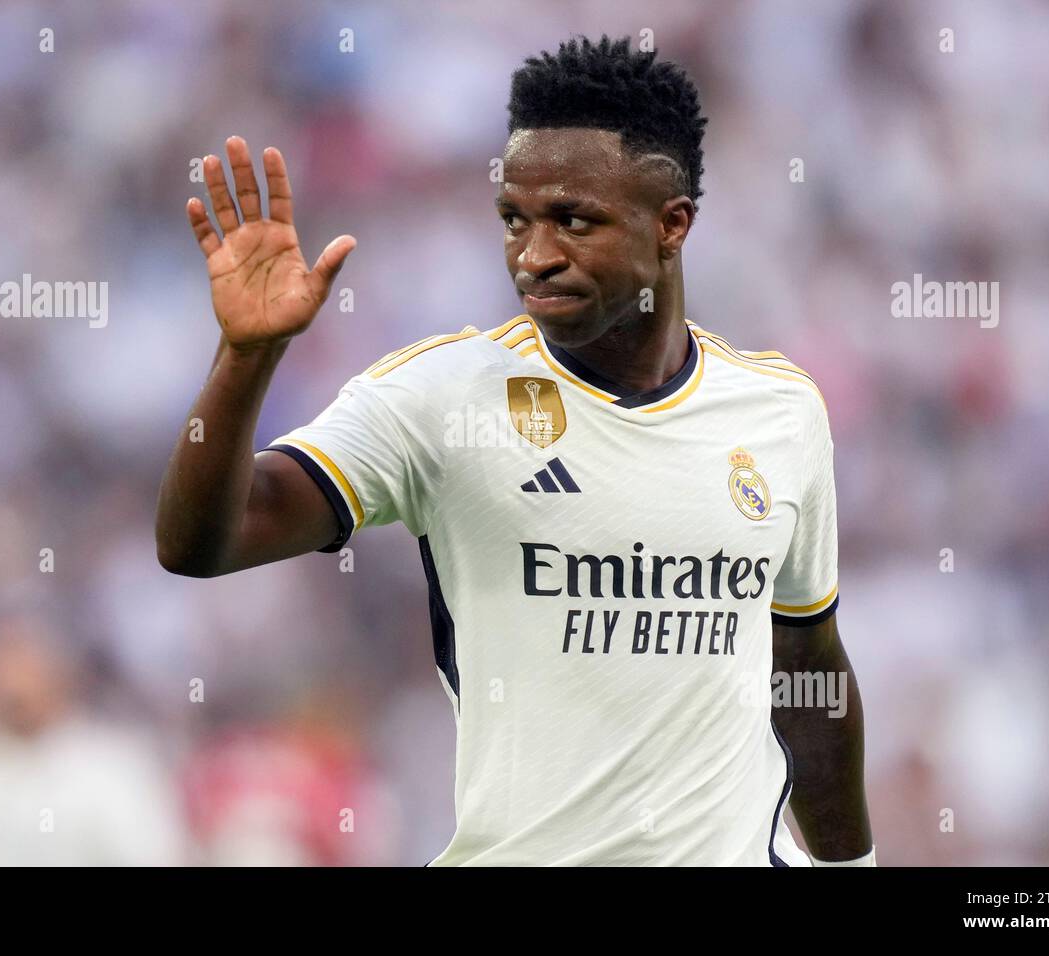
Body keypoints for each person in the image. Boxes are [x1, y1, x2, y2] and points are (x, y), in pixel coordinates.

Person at [157, 35, 873, 866]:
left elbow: (807, 666)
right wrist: (246, 358)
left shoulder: (778, 413)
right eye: (513, 220)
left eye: (574, 220)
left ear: (671, 226)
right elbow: (204, 542)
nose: (533, 257)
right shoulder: (442, 397)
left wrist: (852, 865)